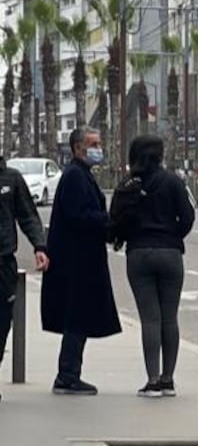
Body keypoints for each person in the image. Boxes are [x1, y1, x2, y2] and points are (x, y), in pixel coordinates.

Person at [40, 127, 122, 395]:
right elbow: (79, 216)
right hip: (76, 262)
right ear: (77, 148)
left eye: (99, 142)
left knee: (80, 317)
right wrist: (108, 221)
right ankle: (67, 375)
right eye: (93, 144)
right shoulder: (76, 176)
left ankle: (70, 373)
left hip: (81, 259)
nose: (99, 148)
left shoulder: (81, 174)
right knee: (77, 317)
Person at [114, 134, 196, 398]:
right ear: (160, 155)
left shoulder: (127, 185)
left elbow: (114, 219)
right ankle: (168, 380)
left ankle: (151, 380)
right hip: (170, 252)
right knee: (170, 317)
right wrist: (173, 235)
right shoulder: (173, 182)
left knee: (150, 319)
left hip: (138, 252)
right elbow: (188, 216)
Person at [0, 154, 49, 402]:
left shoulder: (11, 178)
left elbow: (28, 215)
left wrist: (39, 246)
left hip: (3, 262)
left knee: (2, 324)